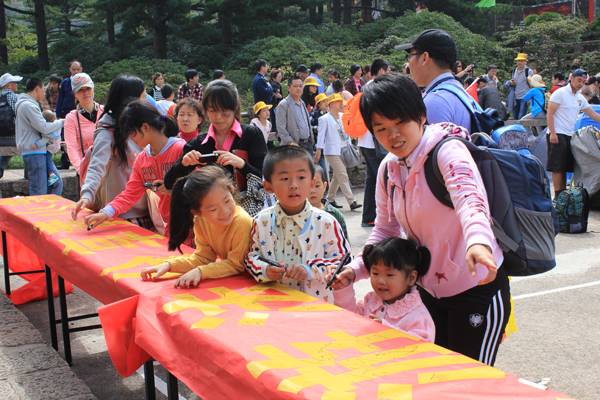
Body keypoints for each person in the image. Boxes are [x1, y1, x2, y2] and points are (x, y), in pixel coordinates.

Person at [330, 73, 510, 366]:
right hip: (426, 292)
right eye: (382, 128)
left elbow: (470, 200)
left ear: (421, 115)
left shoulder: (448, 151)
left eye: (400, 122)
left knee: (468, 381)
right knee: (432, 377)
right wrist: (356, 269)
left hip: (476, 286)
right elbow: (385, 231)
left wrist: (478, 242)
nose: (393, 135)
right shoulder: (389, 168)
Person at [245, 145, 351, 304]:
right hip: (273, 305)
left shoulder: (327, 222)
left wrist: (310, 270)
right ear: (268, 186)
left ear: (311, 182)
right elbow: (250, 257)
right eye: (284, 178)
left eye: (301, 177)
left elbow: (343, 261)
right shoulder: (261, 221)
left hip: (316, 307)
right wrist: (265, 270)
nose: (293, 185)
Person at [140, 166, 253, 288]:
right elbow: (203, 258)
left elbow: (236, 265)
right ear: (197, 212)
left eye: (227, 201)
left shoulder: (241, 221)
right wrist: (169, 265)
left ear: (231, 191)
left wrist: (200, 272)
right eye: (213, 209)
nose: (224, 211)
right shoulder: (200, 221)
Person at [83, 100, 185, 234]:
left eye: (132, 133)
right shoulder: (142, 159)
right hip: (172, 228)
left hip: (196, 225)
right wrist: (106, 213)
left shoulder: (181, 150)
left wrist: (175, 188)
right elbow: (130, 194)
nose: (131, 139)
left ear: (145, 127)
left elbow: (203, 186)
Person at [71, 74, 150, 227]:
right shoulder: (107, 132)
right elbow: (97, 166)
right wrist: (87, 194)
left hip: (148, 210)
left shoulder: (143, 126)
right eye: (143, 97)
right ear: (130, 100)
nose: (145, 102)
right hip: (119, 214)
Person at [164, 79, 268, 191]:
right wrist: (183, 164)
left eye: (224, 111)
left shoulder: (251, 134)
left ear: (235, 107)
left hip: (248, 207)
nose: (218, 117)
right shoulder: (197, 143)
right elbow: (169, 183)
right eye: (212, 110)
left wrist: (242, 164)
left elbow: (266, 178)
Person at [333, 238, 435, 342]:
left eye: (389, 275)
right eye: (375, 273)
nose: (380, 281)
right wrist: (342, 289)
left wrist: (386, 331)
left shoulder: (418, 316)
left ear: (411, 278)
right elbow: (351, 319)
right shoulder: (371, 300)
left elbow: (423, 347)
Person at [397, 29, 472, 132]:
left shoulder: (434, 101)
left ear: (424, 58)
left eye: (410, 56)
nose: (409, 63)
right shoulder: (458, 90)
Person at [547, 69, 600, 197]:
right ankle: (558, 196)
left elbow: (592, 114)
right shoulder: (560, 93)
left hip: (570, 134)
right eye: (578, 80)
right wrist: (553, 133)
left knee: (566, 166)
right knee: (558, 167)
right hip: (557, 132)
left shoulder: (580, 97)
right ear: (571, 77)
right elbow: (550, 113)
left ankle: (563, 195)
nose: (580, 84)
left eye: (583, 82)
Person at [15, 78, 64, 196]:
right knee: (39, 190)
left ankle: (50, 211)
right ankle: (38, 213)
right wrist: (61, 123)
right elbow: (43, 127)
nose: (44, 93)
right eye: (43, 89)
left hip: (36, 152)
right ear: (37, 88)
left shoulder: (27, 104)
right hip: (34, 153)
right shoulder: (28, 105)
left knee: (55, 183)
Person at [357, 59, 390, 227]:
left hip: (366, 141)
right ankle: (384, 219)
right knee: (382, 180)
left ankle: (368, 217)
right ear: (382, 71)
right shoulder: (376, 87)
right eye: (389, 71)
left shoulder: (365, 87)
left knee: (372, 180)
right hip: (374, 142)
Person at [315, 93, 362, 211]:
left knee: (337, 176)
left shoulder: (343, 116)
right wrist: (318, 151)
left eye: (341, 102)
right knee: (342, 174)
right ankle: (352, 201)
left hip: (344, 149)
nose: (341, 104)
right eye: (338, 102)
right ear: (331, 104)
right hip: (332, 151)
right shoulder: (324, 119)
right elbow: (320, 136)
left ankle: (329, 199)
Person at [64, 73, 104, 176]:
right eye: (80, 90)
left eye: (88, 88)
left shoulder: (106, 112)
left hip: (109, 170)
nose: (85, 92)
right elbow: (71, 148)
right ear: (75, 93)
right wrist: (81, 170)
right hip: (86, 171)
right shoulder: (71, 118)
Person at [308, 163, 348, 240]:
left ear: (324, 186)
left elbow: (345, 243)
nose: (312, 191)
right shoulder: (297, 214)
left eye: (317, 186)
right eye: (308, 186)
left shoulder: (335, 214)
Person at [276, 76, 314, 155]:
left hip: (307, 144)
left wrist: (311, 140)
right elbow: (281, 128)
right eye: (295, 86)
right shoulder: (284, 104)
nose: (298, 88)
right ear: (288, 88)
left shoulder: (302, 103)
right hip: (294, 145)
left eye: (300, 86)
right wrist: (291, 143)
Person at [56, 60, 83, 169]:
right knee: (65, 137)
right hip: (66, 112)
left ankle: (79, 160)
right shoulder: (65, 82)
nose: (76, 71)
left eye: (77, 69)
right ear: (70, 70)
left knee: (79, 136)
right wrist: (58, 114)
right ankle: (65, 162)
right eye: (73, 69)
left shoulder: (84, 81)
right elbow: (60, 98)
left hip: (79, 111)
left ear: (81, 69)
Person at [0, 73, 22, 179]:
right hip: (14, 138)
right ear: (8, 85)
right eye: (14, 83)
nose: (16, 85)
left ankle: (0, 168)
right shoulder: (16, 97)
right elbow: (22, 117)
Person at [37, 110, 62, 187]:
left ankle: (52, 174)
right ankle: (51, 173)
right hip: (52, 145)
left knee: (48, 160)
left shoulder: (52, 126)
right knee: (48, 159)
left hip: (52, 146)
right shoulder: (55, 124)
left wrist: (38, 143)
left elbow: (51, 136)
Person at [508, 53, 533, 119]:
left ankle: (521, 129)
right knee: (515, 117)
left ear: (525, 62)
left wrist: (530, 98)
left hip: (524, 97)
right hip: (515, 97)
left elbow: (532, 85)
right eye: (518, 61)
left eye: (522, 61)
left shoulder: (528, 71)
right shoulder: (514, 71)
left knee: (521, 117)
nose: (520, 62)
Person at [310, 93, 329, 177]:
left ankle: (323, 186)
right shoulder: (314, 114)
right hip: (316, 146)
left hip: (327, 147)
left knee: (326, 170)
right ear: (318, 104)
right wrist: (315, 128)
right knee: (315, 170)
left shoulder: (330, 114)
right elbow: (307, 127)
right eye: (323, 102)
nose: (326, 103)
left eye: (327, 101)